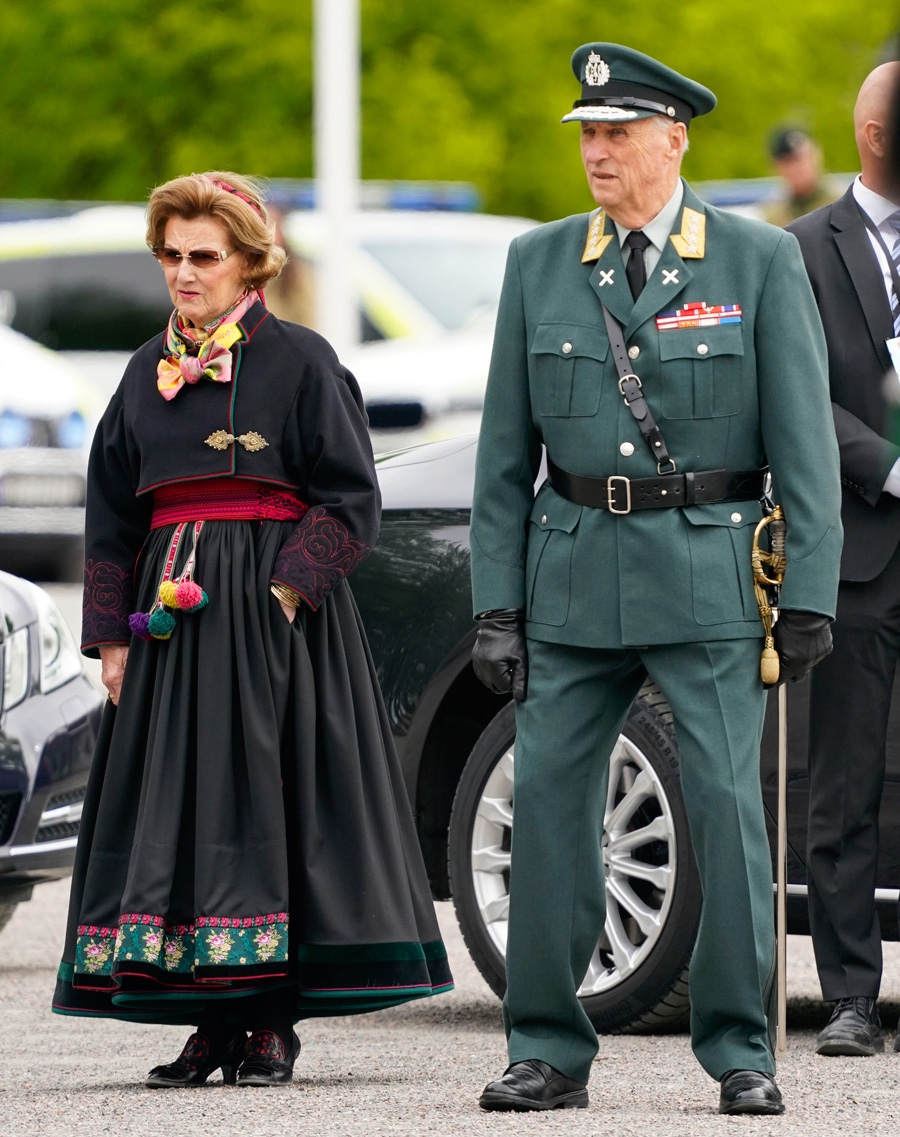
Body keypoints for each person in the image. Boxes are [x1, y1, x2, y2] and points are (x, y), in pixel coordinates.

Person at [470, 43, 841, 1117]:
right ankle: (546, 1044)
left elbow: (805, 442)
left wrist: (807, 588)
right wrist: (497, 603)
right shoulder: (538, 263)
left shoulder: (755, 260)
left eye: (618, 132)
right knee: (544, 804)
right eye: (587, 132)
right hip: (573, 568)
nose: (597, 150)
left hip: (706, 568)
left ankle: (738, 1050)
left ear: (674, 140)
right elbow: (503, 455)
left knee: (727, 808)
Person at [52, 171, 452, 1087]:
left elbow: (353, 498)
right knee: (183, 811)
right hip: (167, 630)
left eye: (204, 256)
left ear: (248, 263)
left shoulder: (304, 361)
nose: (185, 274)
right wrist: (111, 635)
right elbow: (110, 510)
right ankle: (208, 1021)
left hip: (278, 626)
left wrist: (284, 592)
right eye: (171, 256)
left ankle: (271, 1020)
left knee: (272, 806)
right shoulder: (138, 373)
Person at [787, 63, 900, 1058]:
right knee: (845, 781)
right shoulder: (799, 251)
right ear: (873, 133)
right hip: (862, 546)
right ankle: (852, 999)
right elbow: (795, 392)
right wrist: (892, 465)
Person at [763, 128, 839, 227]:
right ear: (776, 167)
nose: (796, 168)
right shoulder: (774, 214)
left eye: (800, 158)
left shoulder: (842, 204)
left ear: (816, 155)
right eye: (787, 161)